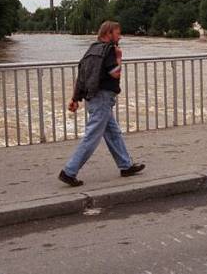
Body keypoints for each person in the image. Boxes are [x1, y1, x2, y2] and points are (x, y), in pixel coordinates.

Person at [58, 21, 144, 186]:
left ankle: (125, 166)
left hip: (93, 98)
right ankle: (69, 171)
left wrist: (75, 98)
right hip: (103, 99)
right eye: (118, 33)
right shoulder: (109, 49)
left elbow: (82, 75)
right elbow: (115, 74)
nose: (120, 36)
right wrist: (119, 56)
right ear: (109, 33)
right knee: (91, 137)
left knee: (113, 133)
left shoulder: (91, 49)